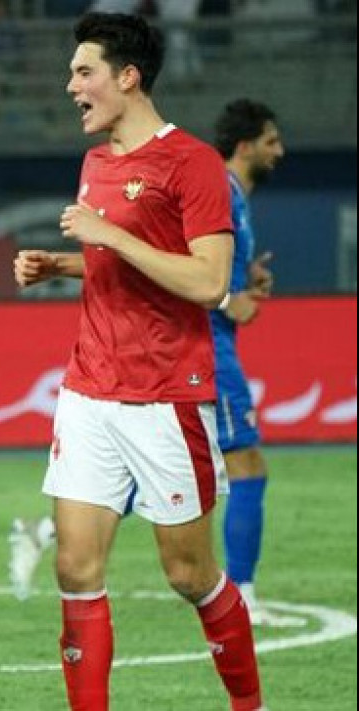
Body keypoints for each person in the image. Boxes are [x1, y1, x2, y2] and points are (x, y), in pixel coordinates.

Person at [11, 13, 263, 710]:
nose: (71, 87)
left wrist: (102, 238)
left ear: (127, 77)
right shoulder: (96, 161)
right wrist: (63, 264)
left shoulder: (191, 163)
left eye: (82, 72)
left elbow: (208, 281)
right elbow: (115, 257)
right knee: (73, 564)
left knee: (188, 574)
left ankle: (249, 703)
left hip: (166, 396)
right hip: (89, 389)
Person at [211, 98, 301, 627]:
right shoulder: (219, 192)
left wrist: (247, 281)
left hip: (212, 343)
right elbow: (184, 267)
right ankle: (242, 597)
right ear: (245, 146)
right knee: (247, 465)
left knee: (172, 469)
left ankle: (52, 531)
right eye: (272, 141)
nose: (280, 151)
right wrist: (227, 299)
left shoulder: (236, 197)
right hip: (207, 347)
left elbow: (218, 267)